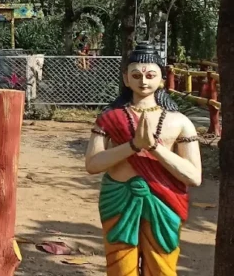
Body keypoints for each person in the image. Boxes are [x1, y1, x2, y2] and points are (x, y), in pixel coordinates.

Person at [84, 42, 202, 275]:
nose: (143, 81)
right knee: (120, 268)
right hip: (118, 198)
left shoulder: (179, 122)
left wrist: (154, 147)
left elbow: (194, 176)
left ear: (162, 79)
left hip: (164, 201)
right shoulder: (109, 118)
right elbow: (92, 164)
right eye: (136, 75)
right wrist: (133, 146)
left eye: (150, 75)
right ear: (126, 79)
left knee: (161, 267)